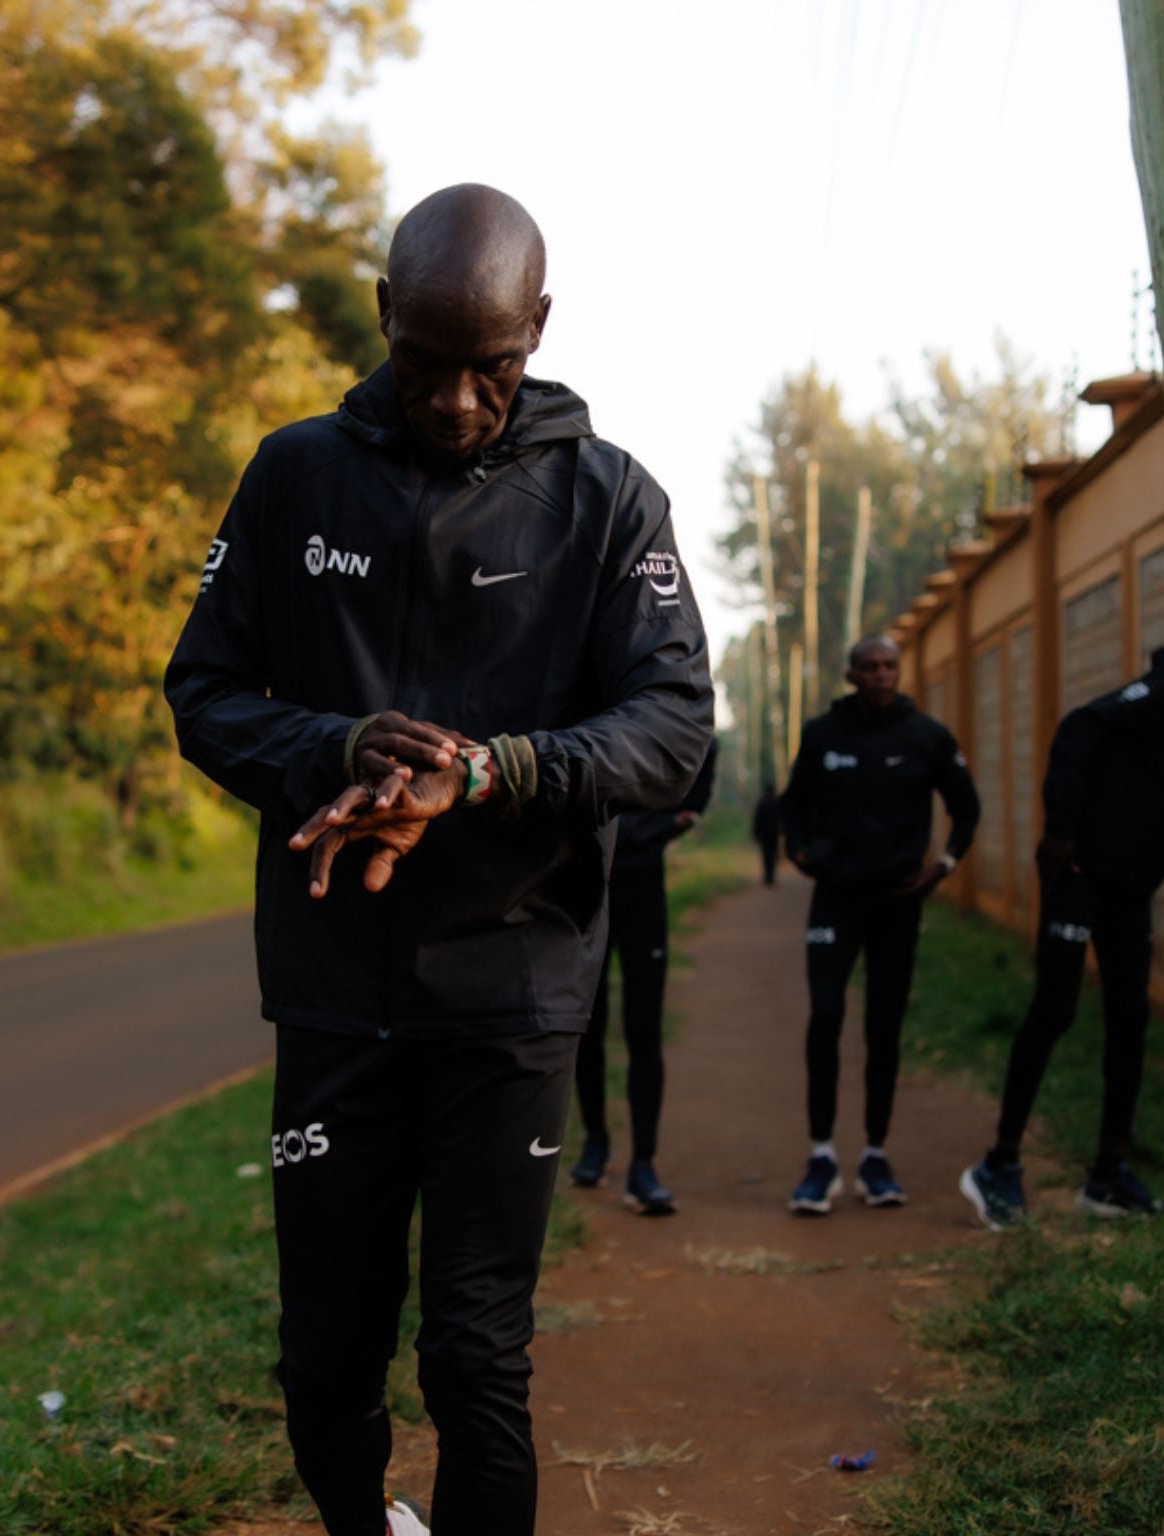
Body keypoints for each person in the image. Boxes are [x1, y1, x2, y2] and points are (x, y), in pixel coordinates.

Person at [165, 184, 712, 1536]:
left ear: (538, 328)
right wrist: (338, 744)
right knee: (325, 1366)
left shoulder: (607, 502)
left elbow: (673, 728)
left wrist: (492, 769)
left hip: (513, 990)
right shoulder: (296, 475)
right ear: (381, 319)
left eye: (494, 366)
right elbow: (205, 690)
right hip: (334, 991)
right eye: (426, 362)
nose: (459, 399)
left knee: (475, 1359)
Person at [960, 645, 1164, 1231]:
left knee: (1131, 1019)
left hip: (1128, 888)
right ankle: (998, 1165)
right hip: (1080, 871)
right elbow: (1082, 723)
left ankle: (1107, 1176)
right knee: (1056, 1009)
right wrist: (1062, 829)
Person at [779, 635, 979, 1215]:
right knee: (825, 1016)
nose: (881, 675)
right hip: (836, 900)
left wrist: (942, 867)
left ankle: (875, 1155)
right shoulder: (823, 734)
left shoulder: (927, 737)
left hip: (897, 902)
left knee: (884, 1028)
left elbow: (966, 808)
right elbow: (793, 803)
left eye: (889, 666)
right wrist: (799, 850)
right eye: (869, 667)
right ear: (852, 674)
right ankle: (821, 1157)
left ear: (899, 671)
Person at [570, 738, 717, 1214]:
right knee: (588, 1022)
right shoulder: (594, 710)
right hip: (589, 891)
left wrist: (671, 823)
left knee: (644, 1029)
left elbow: (703, 745)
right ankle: (595, 1143)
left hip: (644, 893)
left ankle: (644, 1166)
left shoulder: (660, 713)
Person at [751, 780, 782, 885]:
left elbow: (757, 819)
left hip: (764, 835)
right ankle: (770, 876)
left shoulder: (762, 803)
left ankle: (768, 876)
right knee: (772, 854)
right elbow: (780, 819)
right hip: (773, 834)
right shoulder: (776, 802)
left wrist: (756, 833)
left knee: (766, 855)